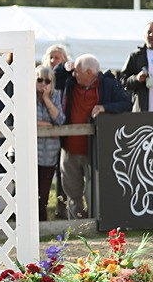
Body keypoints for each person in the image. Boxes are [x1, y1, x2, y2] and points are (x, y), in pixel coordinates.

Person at [59, 54, 131, 219]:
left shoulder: (109, 84)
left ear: (90, 72)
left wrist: (105, 107)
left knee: (93, 192)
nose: (74, 74)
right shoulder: (71, 81)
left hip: (95, 149)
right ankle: (76, 227)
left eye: (78, 71)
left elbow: (127, 103)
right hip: (70, 148)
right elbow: (54, 76)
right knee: (72, 192)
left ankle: (94, 225)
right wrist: (65, 67)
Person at [42, 44, 72, 217]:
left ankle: (63, 212)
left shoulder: (66, 77)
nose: (53, 61)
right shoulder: (39, 78)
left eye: (58, 57)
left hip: (64, 131)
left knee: (63, 176)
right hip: (46, 137)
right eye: (51, 57)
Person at [35, 64, 65, 222]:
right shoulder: (28, 96)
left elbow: (60, 120)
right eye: (39, 80)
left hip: (50, 153)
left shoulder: (56, 96)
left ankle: (42, 222)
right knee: (30, 191)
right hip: (32, 152)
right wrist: (47, 125)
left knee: (45, 191)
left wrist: (46, 99)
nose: (43, 84)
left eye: (47, 81)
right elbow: (27, 121)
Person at [119, 21, 153, 113]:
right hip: (143, 113)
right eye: (148, 32)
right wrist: (137, 78)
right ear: (144, 36)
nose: (151, 34)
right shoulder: (136, 56)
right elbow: (122, 81)